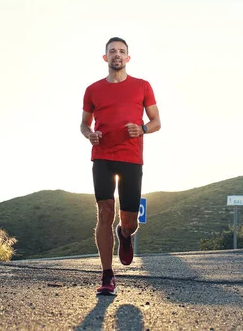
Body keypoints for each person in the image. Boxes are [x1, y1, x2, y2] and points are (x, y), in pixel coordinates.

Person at [80, 37, 161, 295]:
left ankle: (124, 236)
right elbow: (83, 124)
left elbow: (157, 121)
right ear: (105, 58)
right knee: (104, 211)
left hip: (131, 157)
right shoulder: (92, 90)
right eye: (112, 51)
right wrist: (88, 134)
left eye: (122, 51)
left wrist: (142, 129)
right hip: (102, 154)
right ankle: (107, 275)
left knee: (129, 221)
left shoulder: (142, 86)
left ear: (128, 58)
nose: (117, 54)